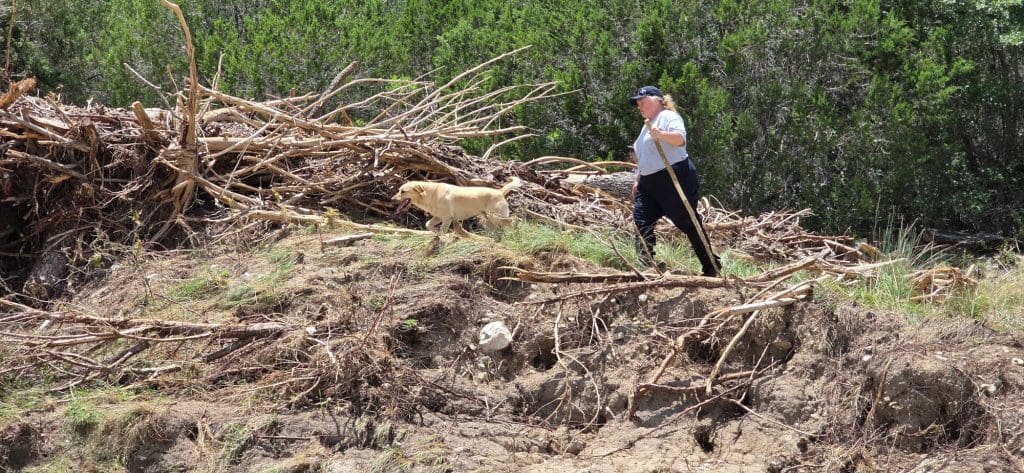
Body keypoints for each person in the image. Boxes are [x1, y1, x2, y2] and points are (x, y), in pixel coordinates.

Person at [629, 85, 721, 277]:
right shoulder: (646, 125)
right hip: (648, 183)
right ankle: (648, 265)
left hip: (672, 177)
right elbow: (644, 156)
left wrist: (661, 135)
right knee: (641, 220)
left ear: (657, 100)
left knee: (687, 221)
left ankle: (711, 266)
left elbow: (680, 139)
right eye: (637, 103)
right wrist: (638, 178)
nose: (639, 106)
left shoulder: (667, 117)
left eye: (642, 101)